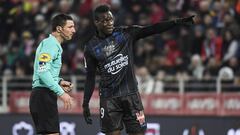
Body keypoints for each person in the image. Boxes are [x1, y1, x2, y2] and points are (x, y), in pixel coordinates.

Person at [82, 4, 197, 135]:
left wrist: (176, 22)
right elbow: (90, 77)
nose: (109, 23)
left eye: (111, 19)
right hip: (109, 99)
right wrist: (85, 103)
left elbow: (152, 29)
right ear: (96, 22)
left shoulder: (125, 33)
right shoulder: (91, 47)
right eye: (105, 20)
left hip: (131, 95)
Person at [29, 14, 76, 135]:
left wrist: (59, 81)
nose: (73, 30)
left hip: (42, 95)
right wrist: (61, 93)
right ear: (59, 29)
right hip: (43, 95)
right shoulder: (51, 44)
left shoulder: (51, 44)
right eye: (70, 27)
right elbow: (43, 72)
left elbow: (46, 71)